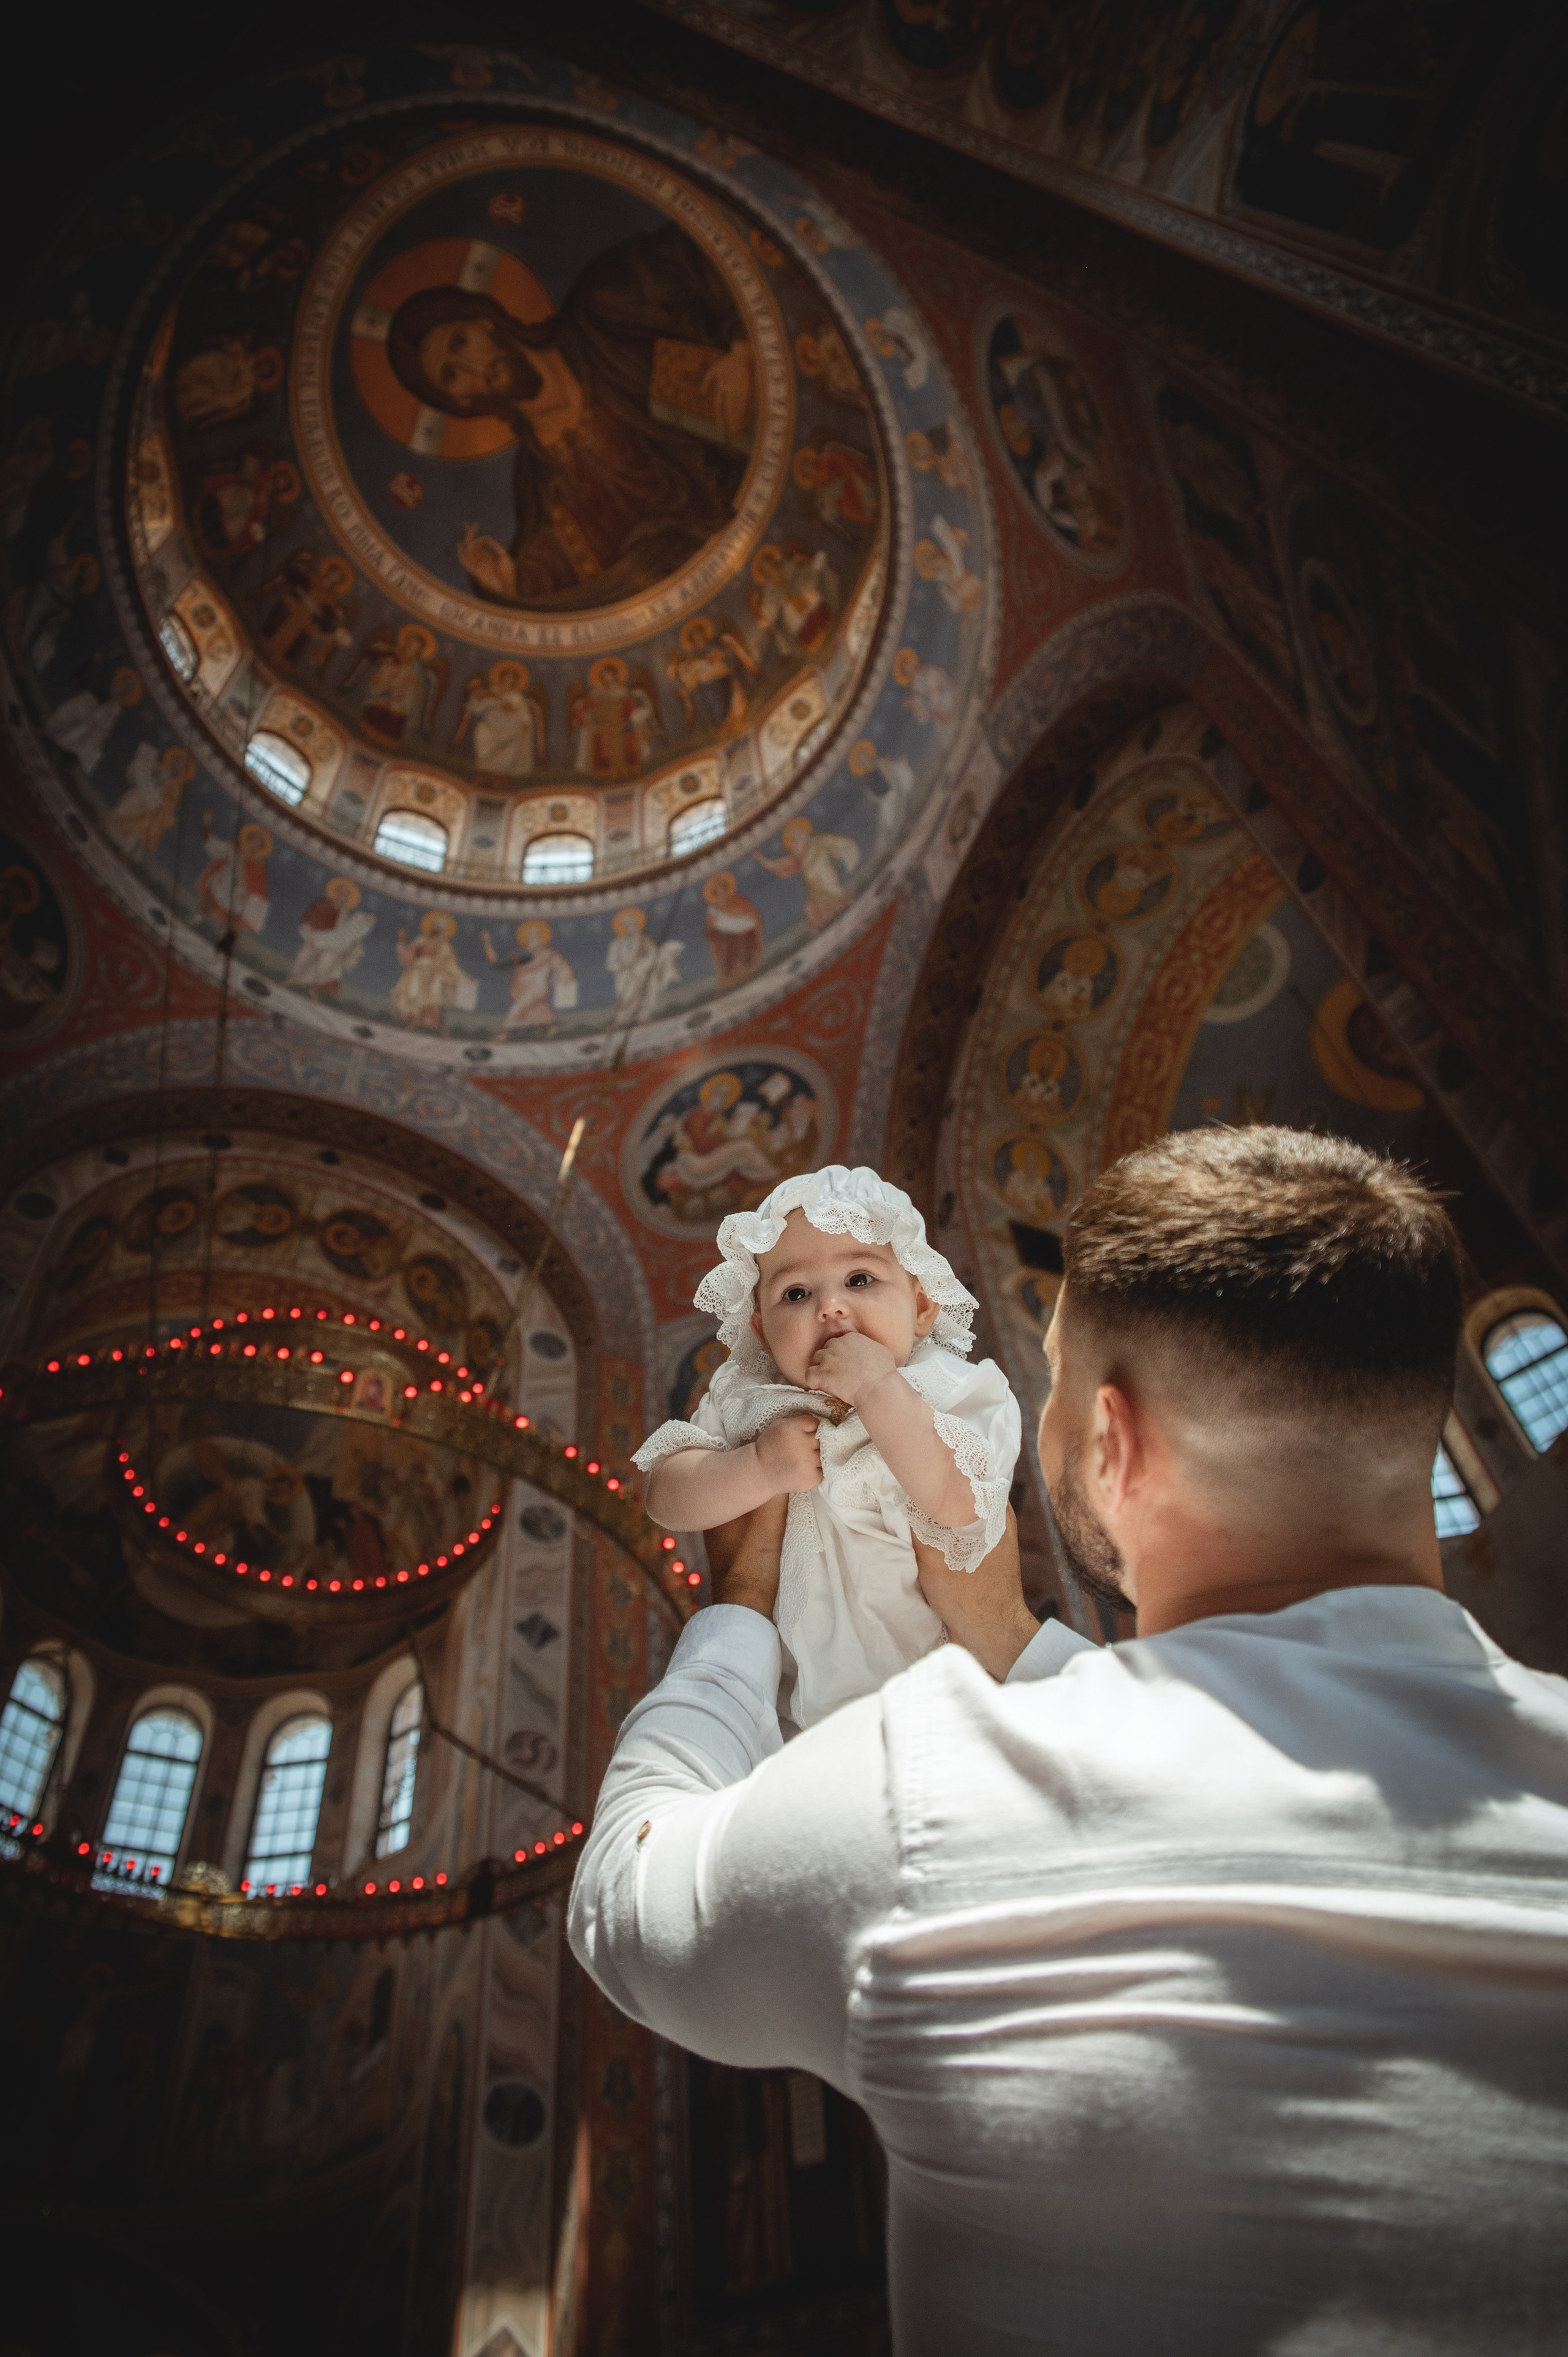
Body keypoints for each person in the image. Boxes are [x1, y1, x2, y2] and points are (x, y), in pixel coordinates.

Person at [571, 1126, 1568, 2353]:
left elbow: (624, 1900)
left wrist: (734, 1609)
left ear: (1111, 1444)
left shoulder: (930, 1795)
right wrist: (1005, 1631)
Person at [633, 1166, 1020, 1730]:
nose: (831, 1307)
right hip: (791, 1714)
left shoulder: (947, 1389)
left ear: (922, 1306)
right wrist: (757, 1468)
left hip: (935, 1697)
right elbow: (666, 1496)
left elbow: (960, 1507)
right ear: (762, 1332)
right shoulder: (749, 1398)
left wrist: (877, 1388)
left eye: (860, 1280)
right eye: (796, 1293)